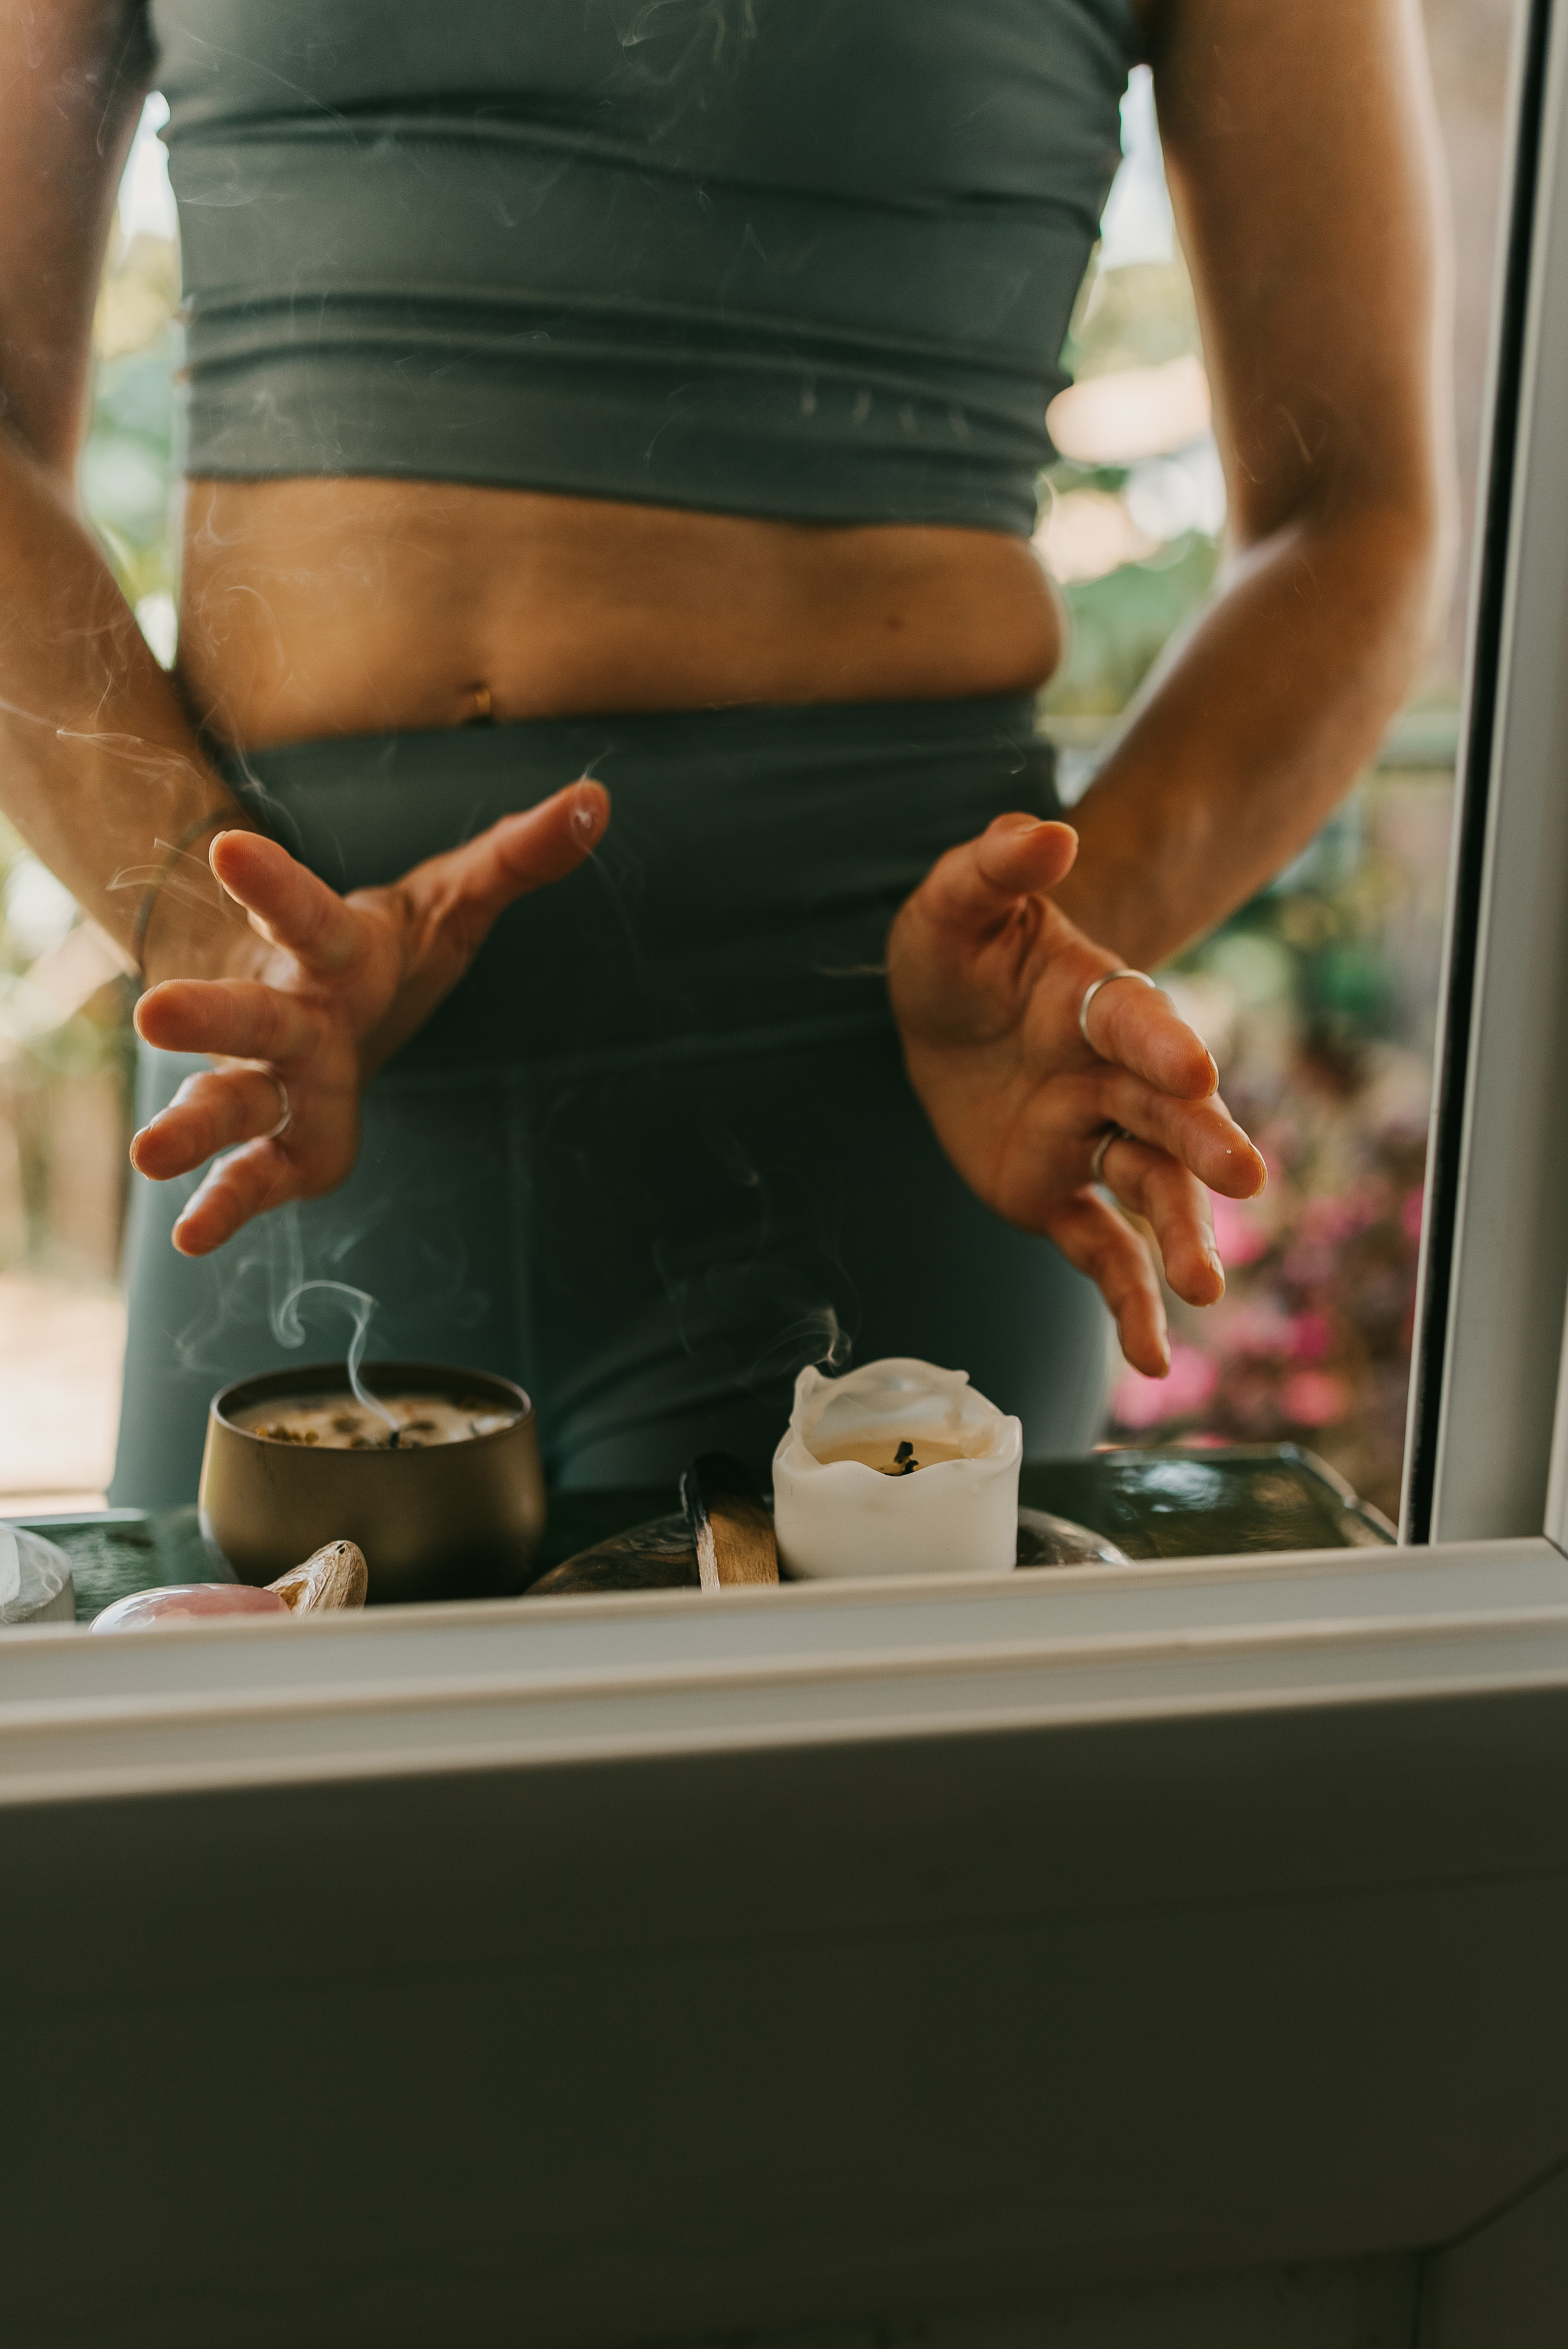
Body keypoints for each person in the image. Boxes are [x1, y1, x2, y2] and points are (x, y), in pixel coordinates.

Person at [0, 0, 1448, 1502]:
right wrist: (201, 925)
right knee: (250, 1732)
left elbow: (1356, 513)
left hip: (900, 1096)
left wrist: (1083, 934)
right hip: (303, 1075)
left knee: (861, 1746)